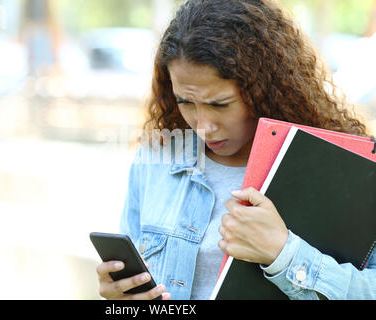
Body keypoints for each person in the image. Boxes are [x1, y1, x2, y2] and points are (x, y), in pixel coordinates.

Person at [95, 0, 375, 300]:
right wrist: (121, 300)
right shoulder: (156, 158)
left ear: (263, 90)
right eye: (185, 102)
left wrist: (284, 254)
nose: (202, 126)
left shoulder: (343, 167)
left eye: (219, 104)